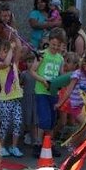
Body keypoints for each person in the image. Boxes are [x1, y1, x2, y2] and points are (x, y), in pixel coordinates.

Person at [31, 27, 67, 157]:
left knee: (52, 120)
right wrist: (43, 80)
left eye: (58, 46)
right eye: (53, 45)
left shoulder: (60, 58)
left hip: (53, 93)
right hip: (41, 91)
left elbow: (61, 74)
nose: (55, 48)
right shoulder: (42, 54)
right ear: (49, 41)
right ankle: (38, 144)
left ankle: (49, 144)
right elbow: (32, 71)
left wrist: (65, 80)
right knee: (44, 119)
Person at [0, 40, 24, 157]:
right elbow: (6, 63)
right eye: (5, 51)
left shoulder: (14, 64)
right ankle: (1, 147)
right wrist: (11, 49)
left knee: (17, 122)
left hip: (16, 99)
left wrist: (16, 36)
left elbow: (19, 49)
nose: (8, 54)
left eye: (8, 51)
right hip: (5, 100)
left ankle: (14, 146)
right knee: (5, 124)